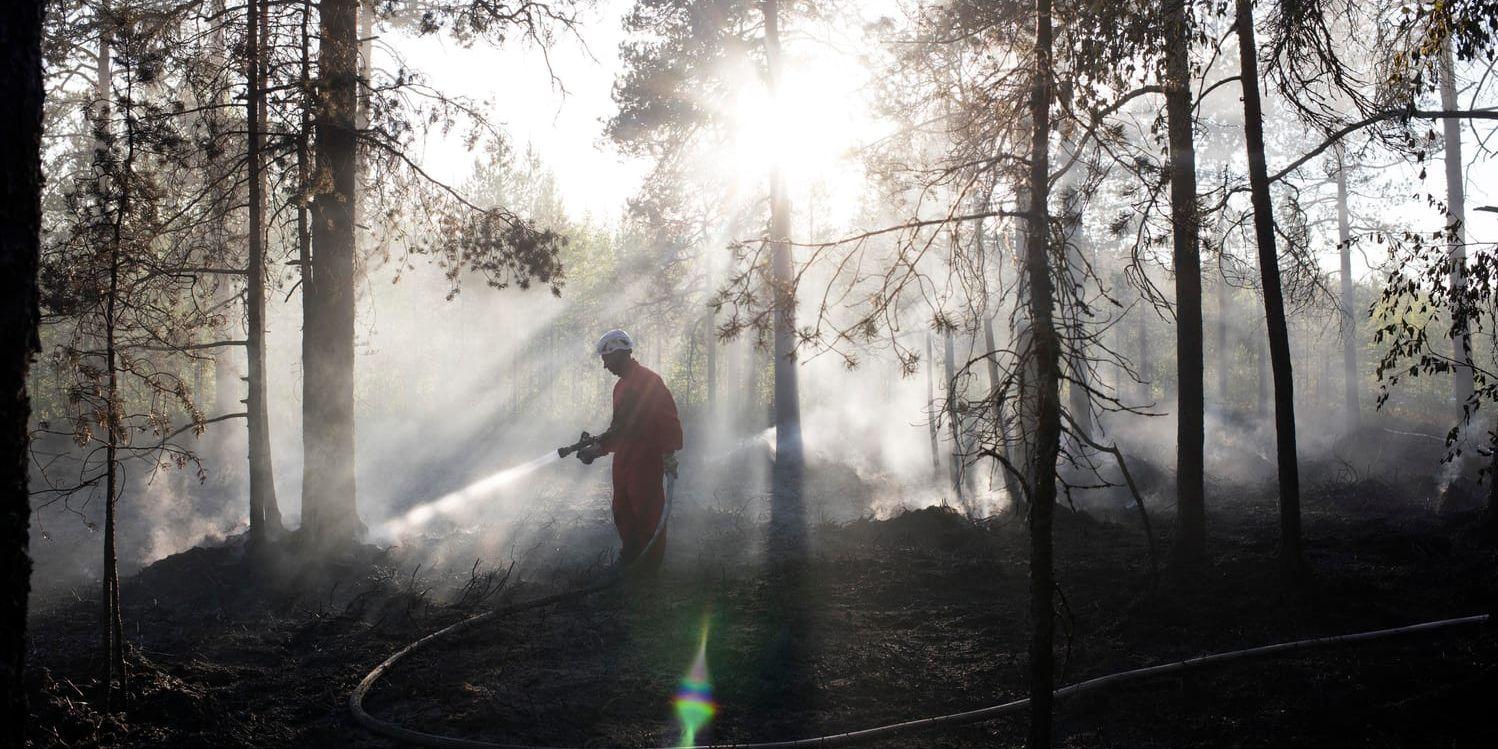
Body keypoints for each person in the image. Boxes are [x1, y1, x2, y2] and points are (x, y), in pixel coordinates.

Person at [576, 329, 682, 572]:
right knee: (621, 507)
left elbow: (668, 418)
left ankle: (650, 562)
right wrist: (597, 449)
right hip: (626, 456)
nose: (605, 366)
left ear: (620, 354)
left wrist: (668, 451)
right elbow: (621, 428)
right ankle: (632, 553)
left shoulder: (649, 381)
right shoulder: (620, 387)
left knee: (645, 505)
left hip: (647, 455)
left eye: (607, 359)